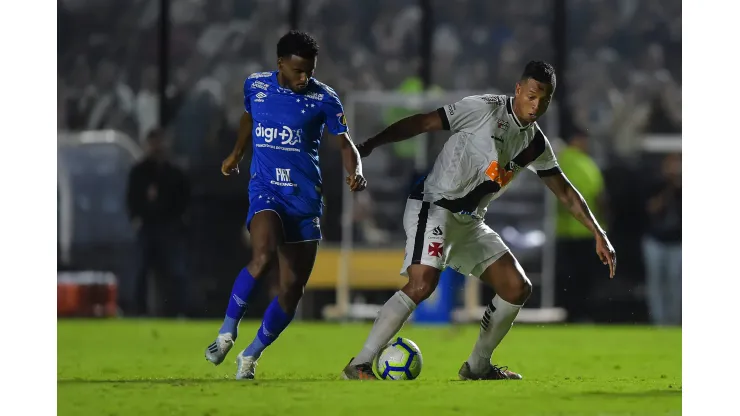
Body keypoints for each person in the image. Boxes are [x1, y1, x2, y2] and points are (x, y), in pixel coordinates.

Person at [342, 61, 616, 381]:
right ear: (518, 89)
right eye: (530, 95)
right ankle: (359, 364)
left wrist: (598, 232)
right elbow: (423, 122)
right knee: (423, 282)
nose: (535, 105)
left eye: (543, 100)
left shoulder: (535, 143)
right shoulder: (483, 109)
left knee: (517, 287)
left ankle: (477, 366)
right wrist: (371, 144)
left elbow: (566, 192)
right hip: (433, 205)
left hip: (470, 221)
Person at [204, 30, 366, 380]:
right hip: (266, 189)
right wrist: (236, 153)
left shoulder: (324, 98)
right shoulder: (256, 86)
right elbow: (249, 117)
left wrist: (356, 171)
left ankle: (250, 355)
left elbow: (345, 144)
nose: (303, 77)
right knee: (262, 256)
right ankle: (226, 333)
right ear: (280, 63)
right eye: (297, 70)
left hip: (304, 199)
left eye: (309, 70)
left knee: (292, 291)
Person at [554, 130, 607, 322]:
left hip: (563, 228)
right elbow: (599, 195)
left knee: (569, 276)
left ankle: (570, 312)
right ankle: (581, 313)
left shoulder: (559, 160)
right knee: (584, 277)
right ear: (577, 140)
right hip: (585, 231)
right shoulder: (586, 164)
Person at [642, 153, 681, 325]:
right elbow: (651, 208)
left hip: (678, 241)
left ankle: (676, 320)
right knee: (656, 283)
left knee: (677, 282)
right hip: (656, 240)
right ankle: (659, 320)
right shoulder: (655, 184)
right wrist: (669, 188)